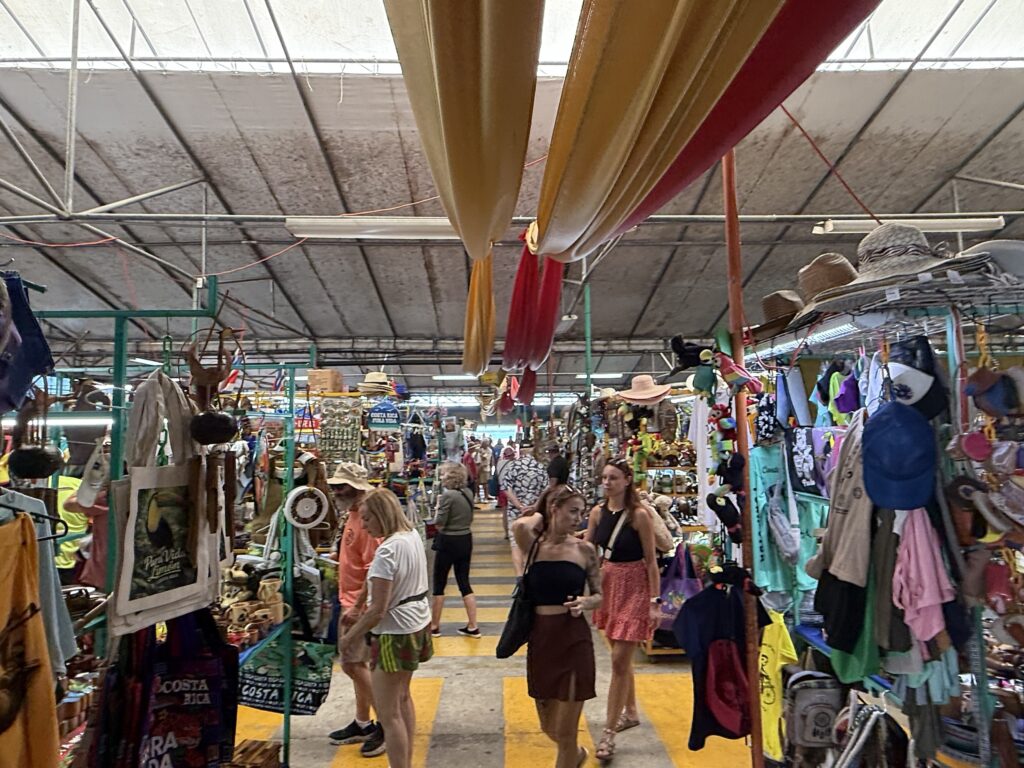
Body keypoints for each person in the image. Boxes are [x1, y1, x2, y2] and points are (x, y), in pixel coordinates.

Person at [340, 488, 433, 768]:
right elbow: (374, 580)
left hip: (394, 633)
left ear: (382, 515)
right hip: (417, 623)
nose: (364, 525)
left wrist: (349, 638)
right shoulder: (411, 536)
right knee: (403, 698)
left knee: (388, 714)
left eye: (368, 519)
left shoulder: (387, 551)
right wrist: (357, 604)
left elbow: (377, 610)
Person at [513, 485, 601, 768]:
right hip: (541, 640)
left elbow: (600, 595)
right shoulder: (534, 547)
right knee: (549, 728)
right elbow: (519, 525)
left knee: (565, 732)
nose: (579, 519)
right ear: (555, 510)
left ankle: (568, 756)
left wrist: (586, 602)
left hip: (574, 639)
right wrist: (541, 512)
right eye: (573, 511)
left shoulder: (585, 550)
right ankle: (575, 756)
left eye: (582, 512)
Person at [584, 457, 662, 762]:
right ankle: (629, 711)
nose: (607, 483)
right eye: (604, 477)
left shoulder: (639, 516)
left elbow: (651, 560)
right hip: (608, 584)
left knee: (618, 660)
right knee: (621, 654)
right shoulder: (595, 513)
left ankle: (608, 734)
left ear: (628, 480)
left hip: (635, 586)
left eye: (613, 478)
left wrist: (655, 602)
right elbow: (588, 551)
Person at [327, 462, 386, 757]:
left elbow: (375, 567)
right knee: (357, 664)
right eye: (335, 485)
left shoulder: (367, 518)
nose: (336, 491)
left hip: (357, 604)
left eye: (342, 486)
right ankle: (363, 722)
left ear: (359, 488)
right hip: (348, 599)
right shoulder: (352, 513)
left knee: (352, 664)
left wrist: (361, 606)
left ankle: (386, 723)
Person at [429, 463, 479, 638]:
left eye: (443, 474)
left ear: (450, 476)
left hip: (448, 541)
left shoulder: (447, 496)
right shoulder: (468, 493)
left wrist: (437, 510)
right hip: (466, 538)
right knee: (464, 582)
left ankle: (434, 626)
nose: (441, 477)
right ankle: (473, 625)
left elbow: (440, 522)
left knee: (439, 584)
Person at [503, 443, 549, 575]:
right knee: (531, 542)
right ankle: (529, 572)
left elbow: (506, 488)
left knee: (515, 543)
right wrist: (535, 505)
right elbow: (546, 491)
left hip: (515, 512)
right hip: (534, 514)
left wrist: (519, 505)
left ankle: (519, 575)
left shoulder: (512, 467)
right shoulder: (540, 468)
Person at [495, 446, 516, 540]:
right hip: (511, 490)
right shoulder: (514, 464)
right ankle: (513, 532)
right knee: (513, 512)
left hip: (501, 490)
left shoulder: (499, 463)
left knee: (504, 512)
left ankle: (506, 533)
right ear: (511, 455)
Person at [476, 438, 494, 502]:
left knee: (485, 484)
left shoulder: (489, 450)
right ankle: (478, 496)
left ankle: (486, 497)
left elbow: (485, 458)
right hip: (478, 467)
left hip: (485, 468)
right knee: (477, 483)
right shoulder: (479, 449)